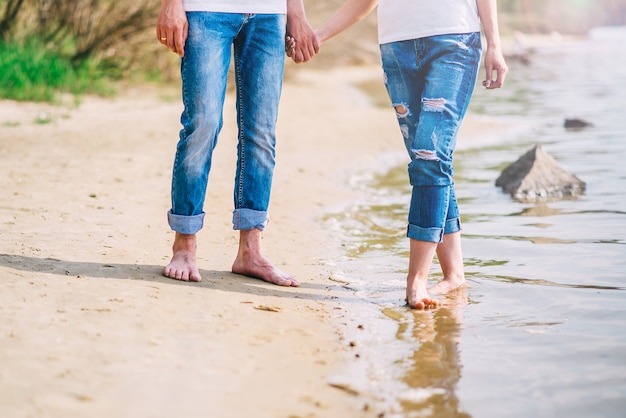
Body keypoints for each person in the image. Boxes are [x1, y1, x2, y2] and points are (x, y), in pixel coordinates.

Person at [289, 0, 508, 308]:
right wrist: (319, 35)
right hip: (397, 47)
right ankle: (454, 273)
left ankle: (416, 279)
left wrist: (494, 44)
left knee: (429, 155)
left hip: (454, 40)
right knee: (431, 161)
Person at [156, 0, 319, 286]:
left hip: (269, 15)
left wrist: (297, 12)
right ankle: (184, 244)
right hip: (205, 9)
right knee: (202, 124)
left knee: (262, 132)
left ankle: (250, 251)